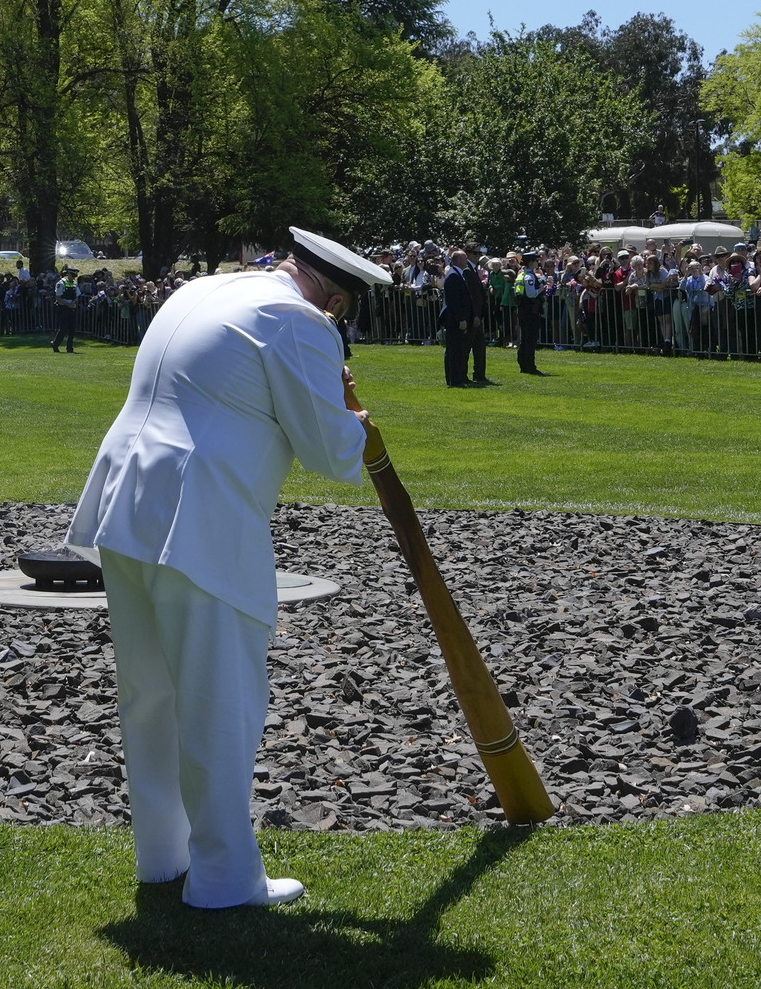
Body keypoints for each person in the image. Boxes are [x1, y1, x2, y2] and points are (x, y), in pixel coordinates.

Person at [67, 226, 376, 911]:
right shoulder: (299, 320)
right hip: (201, 516)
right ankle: (225, 879)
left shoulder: (203, 288)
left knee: (151, 693)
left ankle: (163, 858)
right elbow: (332, 452)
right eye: (343, 311)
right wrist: (358, 417)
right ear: (333, 298)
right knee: (221, 701)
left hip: (128, 502)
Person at [438, 252, 491, 388]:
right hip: (454, 320)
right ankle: (455, 379)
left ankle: (460, 377)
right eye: (464, 258)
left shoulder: (458, 274)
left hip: (459, 318)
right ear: (459, 260)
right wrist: (461, 319)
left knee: (459, 350)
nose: (466, 261)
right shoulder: (454, 276)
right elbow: (454, 301)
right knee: (454, 351)